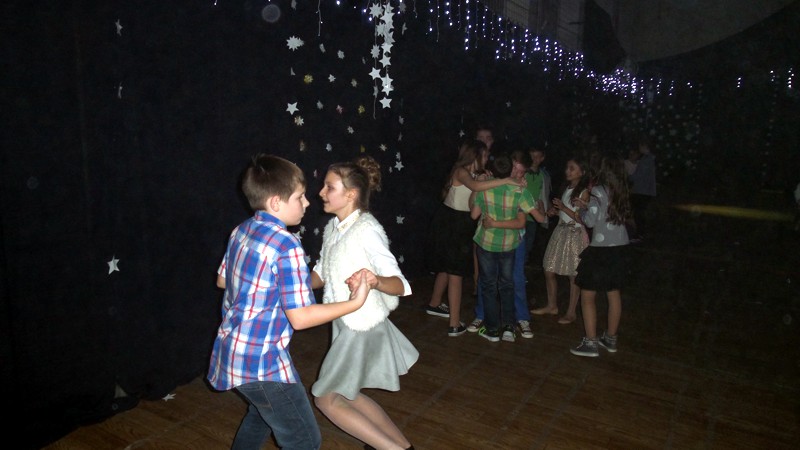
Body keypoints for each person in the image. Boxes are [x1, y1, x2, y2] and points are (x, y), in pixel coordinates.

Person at [208, 153, 371, 450]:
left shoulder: (241, 230)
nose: (307, 203)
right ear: (276, 203)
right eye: (299, 197)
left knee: (261, 416)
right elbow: (301, 317)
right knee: (305, 440)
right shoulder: (287, 244)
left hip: (233, 349)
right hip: (262, 361)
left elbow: (222, 280)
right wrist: (355, 302)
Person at [310, 156, 417, 450]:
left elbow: (400, 284)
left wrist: (374, 280)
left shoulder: (367, 229)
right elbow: (321, 272)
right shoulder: (334, 227)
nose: (321, 192)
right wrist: (285, 284)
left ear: (351, 194)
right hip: (342, 322)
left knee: (325, 399)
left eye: (329, 187)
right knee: (347, 394)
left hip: (360, 324)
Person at [425, 139, 522, 336]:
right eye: (484, 155)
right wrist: (506, 180)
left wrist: (487, 180)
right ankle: (454, 324)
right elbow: (476, 188)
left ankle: (434, 304)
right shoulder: (461, 171)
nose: (487, 159)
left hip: (458, 221)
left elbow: (473, 204)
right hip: (451, 222)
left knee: (447, 268)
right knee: (455, 272)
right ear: (474, 156)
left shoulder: (474, 174)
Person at [466, 149, 543, 339]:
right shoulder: (493, 184)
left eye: (521, 172)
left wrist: (494, 223)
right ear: (508, 165)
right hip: (495, 240)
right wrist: (480, 185)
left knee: (513, 279)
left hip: (513, 239)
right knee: (490, 281)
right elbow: (474, 207)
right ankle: (485, 316)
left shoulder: (520, 188)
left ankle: (518, 319)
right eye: (515, 169)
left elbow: (521, 222)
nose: (517, 174)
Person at [570, 154, 632, 357]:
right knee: (614, 294)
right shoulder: (621, 191)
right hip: (620, 249)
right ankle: (611, 339)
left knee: (588, 295)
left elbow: (590, 221)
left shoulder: (597, 191)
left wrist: (583, 207)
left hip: (601, 250)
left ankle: (590, 343)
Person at [530, 155, 591, 325]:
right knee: (549, 269)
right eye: (567, 168)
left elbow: (582, 218)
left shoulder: (584, 192)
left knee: (573, 275)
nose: (567, 171)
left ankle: (571, 312)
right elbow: (565, 212)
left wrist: (563, 208)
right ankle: (552, 305)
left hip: (575, 234)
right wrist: (555, 212)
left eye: (572, 168)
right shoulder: (567, 187)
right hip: (561, 230)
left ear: (582, 172)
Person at [628, 135, 657, 241]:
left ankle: (640, 234)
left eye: (640, 146)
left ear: (644, 146)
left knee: (638, 213)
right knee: (639, 213)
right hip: (644, 190)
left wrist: (628, 176)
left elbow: (639, 175)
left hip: (642, 191)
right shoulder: (649, 159)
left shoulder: (647, 159)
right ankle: (640, 233)